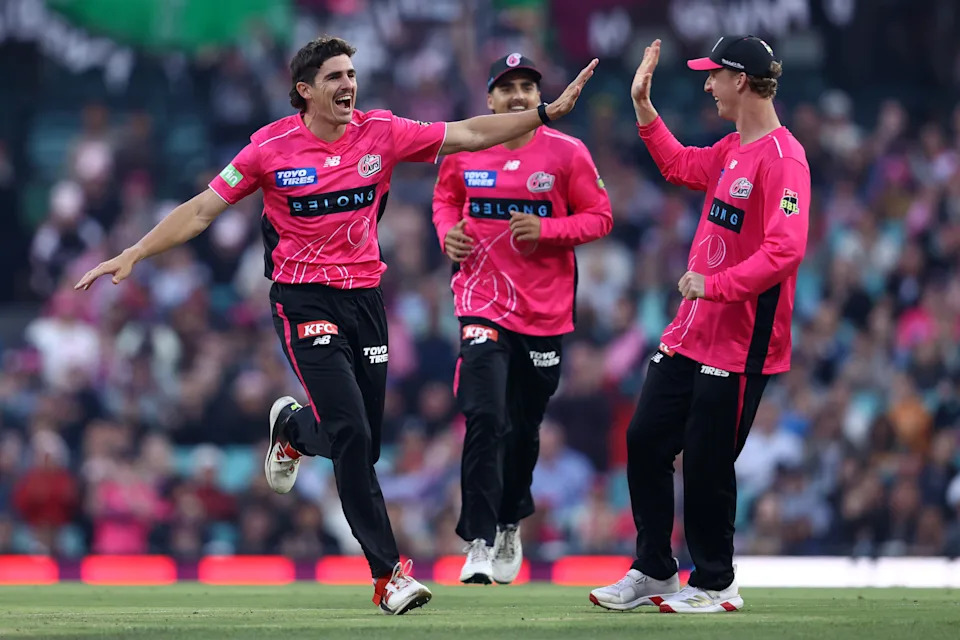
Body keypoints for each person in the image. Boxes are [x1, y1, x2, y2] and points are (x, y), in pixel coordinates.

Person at [75, 36, 598, 615]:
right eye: (334, 77)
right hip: (303, 302)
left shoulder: (383, 131)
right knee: (351, 433)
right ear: (305, 90)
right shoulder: (268, 148)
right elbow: (202, 210)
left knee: (362, 444)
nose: (348, 85)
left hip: (365, 301)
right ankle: (389, 575)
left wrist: (545, 115)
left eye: (351, 74)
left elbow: (469, 134)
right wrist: (136, 252)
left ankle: (294, 431)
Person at [589, 35, 810, 613]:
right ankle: (655, 570)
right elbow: (680, 164)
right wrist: (644, 108)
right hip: (692, 332)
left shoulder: (785, 159)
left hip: (741, 342)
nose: (707, 85)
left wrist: (715, 285)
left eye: (714, 75)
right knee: (644, 441)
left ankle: (716, 583)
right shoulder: (733, 149)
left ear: (741, 80)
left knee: (708, 460)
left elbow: (785, 250)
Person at [432, 53, 612, 585]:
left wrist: (547, 231)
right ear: (489, 99)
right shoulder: (467, 147)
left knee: (524, 427)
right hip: (480, 302)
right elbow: (445, 202)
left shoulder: (567, 152)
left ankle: (511, 521)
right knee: (485, 417)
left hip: (544, 313)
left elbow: (600, 216)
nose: (517, 96)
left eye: (527, 87)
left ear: (539, 97)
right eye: (506, 87)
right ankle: (480, 542)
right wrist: (448, 234)